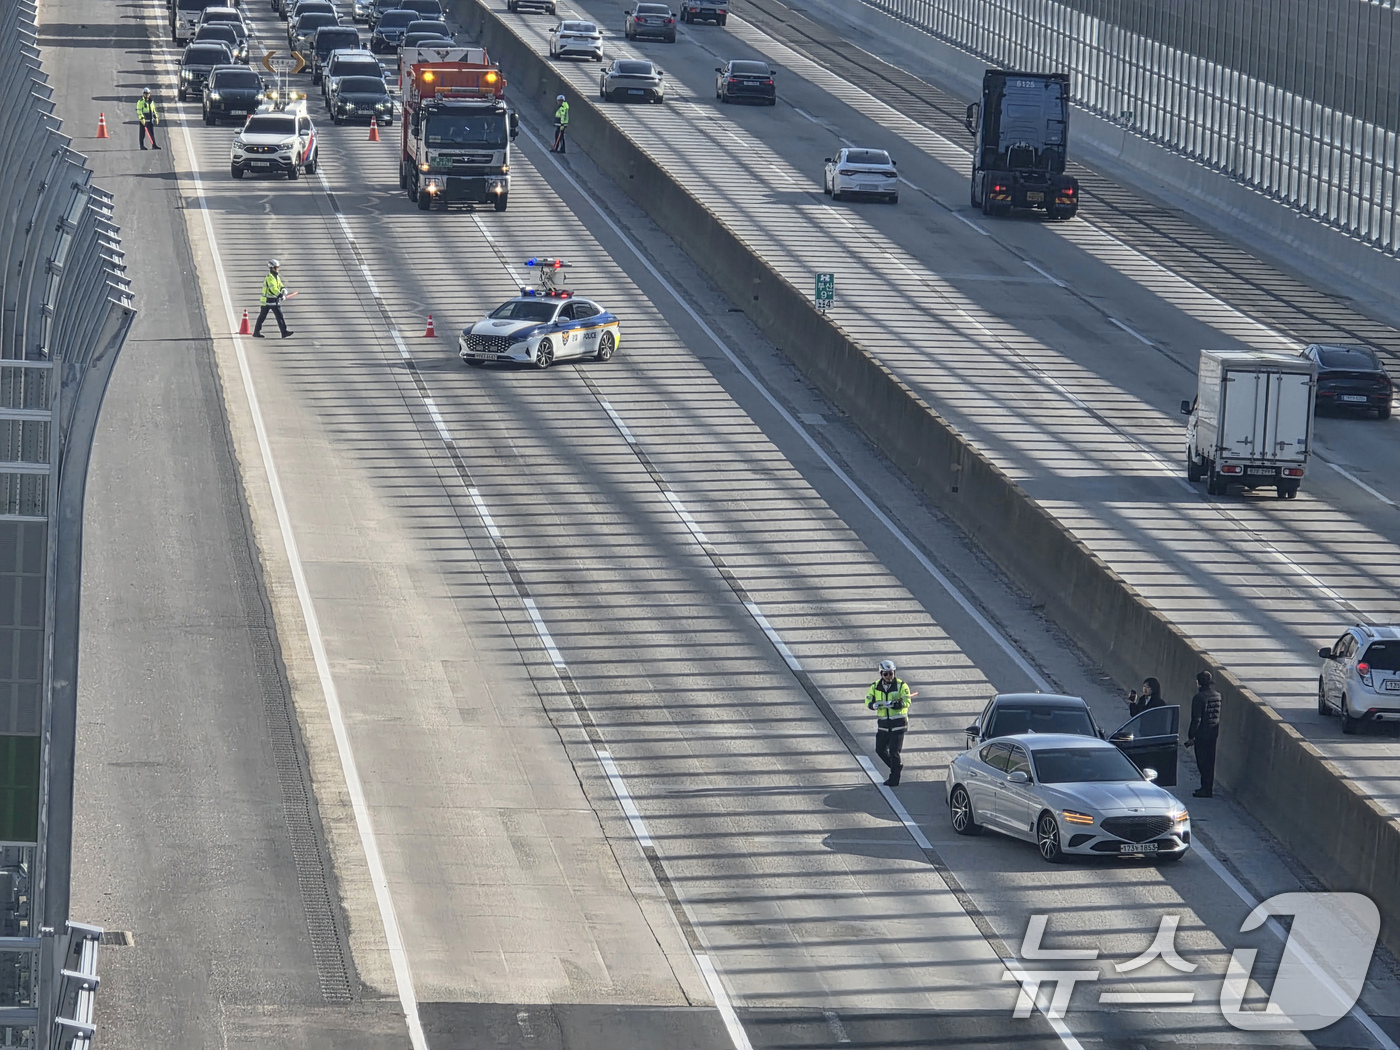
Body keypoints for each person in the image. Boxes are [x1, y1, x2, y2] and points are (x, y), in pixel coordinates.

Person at [865, 660, 911, 787]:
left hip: (898, 724)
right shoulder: (875, 686)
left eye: (891, 673)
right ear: (881, 674)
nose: (889, 676)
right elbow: (868, 699)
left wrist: (897, 704)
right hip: (884, 725)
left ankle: (894, 779)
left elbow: (907, 701)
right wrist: (872, 705)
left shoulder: (902, 685)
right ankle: (896, 767)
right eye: (886, 674)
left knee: (894, 752)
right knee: (879, 749)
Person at [1185, 669, 1221, 798]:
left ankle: (1204, 788)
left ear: (1198, 683)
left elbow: (1196, 719)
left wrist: (1191, 736)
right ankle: (1208, 787)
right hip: (1213, 733)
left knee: (1202, 762)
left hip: (1202, 734)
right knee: (1210, 761)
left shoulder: (1199, 698)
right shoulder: (1217, 696)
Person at [253, 260, 294, 339]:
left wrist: (283, 289)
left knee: (278, 316)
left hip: (273, 301)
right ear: (272, 268)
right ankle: (257, 332)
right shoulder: (270, 278)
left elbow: (280, 285)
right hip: (267, 301)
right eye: (276, 267)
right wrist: (280, 295)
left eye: (278, 267)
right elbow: (273, 289)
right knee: (264, 317)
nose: (277, 269)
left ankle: (283, 332)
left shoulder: (276, 277)